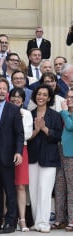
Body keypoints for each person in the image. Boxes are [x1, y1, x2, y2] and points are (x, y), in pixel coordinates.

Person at [0, 78, 24, 234]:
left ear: (7, 91)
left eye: (4, 88)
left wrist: (18, 151)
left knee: (9, 190)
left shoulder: (13, 109)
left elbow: (19, 133)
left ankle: (10, 222)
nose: (1, 91)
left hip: (7, 155)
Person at [27, 84, 62, 233]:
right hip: (33, 157)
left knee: (45, 191)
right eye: (39, 94)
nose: (41, 97)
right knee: (34, 191)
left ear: (49, 98)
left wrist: (44, 128)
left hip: (49, 158)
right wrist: (36, 130)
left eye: (44, 95)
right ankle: (37, 222)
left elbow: (57, 136)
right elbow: (26, 137)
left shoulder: (55, 115)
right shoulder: (30, 113)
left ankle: (44, 223)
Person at [9, 88, 33, 232]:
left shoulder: (27, 114)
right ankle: (7, 218)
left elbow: (27, 134)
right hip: (6, 150)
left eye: (19, 97)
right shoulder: (4, 110)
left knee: (20, 186)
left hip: (21, 150)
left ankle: (22, 220)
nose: (16, 99)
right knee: (6, 186)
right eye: (13, 96)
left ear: (23, 100)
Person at [59, 89, 73, 231]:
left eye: (72, 97)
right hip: (61, 152)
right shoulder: (65, 113)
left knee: (71, 188)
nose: (69, 99)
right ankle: (60, 218)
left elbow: (70, 126)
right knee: (61, 187)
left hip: (71, 155)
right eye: (67, 97)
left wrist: (64, 112)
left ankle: (72, 220)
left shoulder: (64, 113)